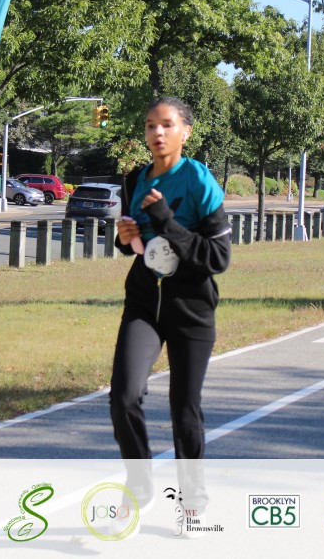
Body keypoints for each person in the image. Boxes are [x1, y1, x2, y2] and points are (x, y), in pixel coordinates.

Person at [111, 97, 231, 525]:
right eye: (150, 125)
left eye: (166, 124)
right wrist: (125, 236)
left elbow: (218, 257)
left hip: (191, 307)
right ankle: (139, 487)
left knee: (184, 407)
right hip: (144, 302)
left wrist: (167, 222)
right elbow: (134, 245)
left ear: (186, 132)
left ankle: (193, 503)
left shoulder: (198, 180)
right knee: (124, 396)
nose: (157, 133)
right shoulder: (135, 180)